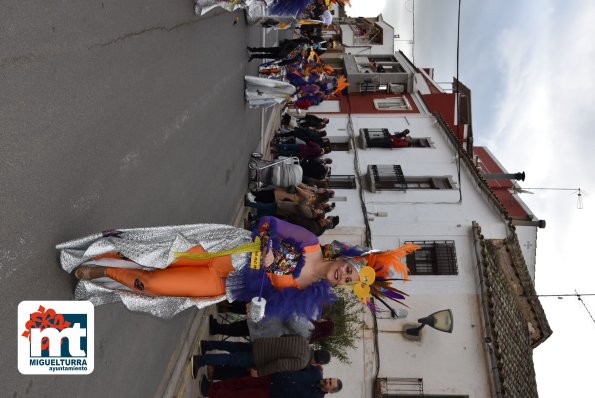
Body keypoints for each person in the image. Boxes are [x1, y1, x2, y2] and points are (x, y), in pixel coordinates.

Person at [58, 216, 358, 319]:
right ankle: (111, 252)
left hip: (222, 285)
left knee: (154, 286)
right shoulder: (309, 243)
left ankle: (106, 272)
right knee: (157, 255)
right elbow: (268, 223)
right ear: (344, 258)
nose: (342, 275)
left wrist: (258, 308)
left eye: (347, 280)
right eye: (348, 269)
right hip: (225, 253)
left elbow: (266, 299)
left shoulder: (307, 295)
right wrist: (267, 248)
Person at [192, 335, 326, 376]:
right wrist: (260, 372)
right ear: (317, 363)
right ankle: (200, 361)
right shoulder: (302, 362)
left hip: (262, 343)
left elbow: (284, 336)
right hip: (260, 358)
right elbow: (280, 364)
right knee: (230, 360)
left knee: (232, 346)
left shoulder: (303, 341)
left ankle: (206, 345)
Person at [206, 364, 342, 398]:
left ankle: (211, 393)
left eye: (330, 383)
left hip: (271, 394)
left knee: (241, 395)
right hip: (271, 377)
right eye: (330, 379)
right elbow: (298, 364)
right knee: (240, 382)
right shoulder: (315, 372)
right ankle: (214, 386)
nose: (327, 380)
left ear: (330, 391)